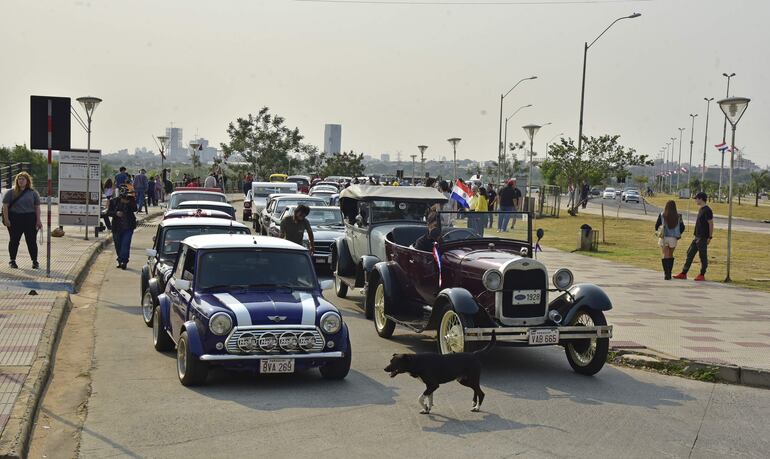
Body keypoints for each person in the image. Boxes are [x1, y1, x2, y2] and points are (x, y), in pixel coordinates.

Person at [2, 172, 42, 269]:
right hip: (15, 218)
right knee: (14, 240)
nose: (21, 181)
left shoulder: (33, 193)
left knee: (31, 241)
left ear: (27, 181)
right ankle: (12, 260)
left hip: (30, 219)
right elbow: (5, 207)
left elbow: (37, 207)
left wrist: (38, 220)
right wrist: (6, 219)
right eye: (19, 179)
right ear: (16, 181)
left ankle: (34, 261)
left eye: (23, 179)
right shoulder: (10, 192)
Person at [673, 192, 713, 281]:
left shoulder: (707, 210)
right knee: (690, 253)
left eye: (696, 198)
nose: (695, 200)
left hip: (703, 237)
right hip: (696, 237)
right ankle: (684, 273)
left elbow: (711, 224)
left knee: (703, 256)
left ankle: (702, 274)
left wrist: (710, 237)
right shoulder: (701, 209)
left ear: (701, 199)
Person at [106, 185, 137, 269]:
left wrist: (128, 202)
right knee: (118, 245)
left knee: (125, 244)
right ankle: (120, 260)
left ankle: (124, 261)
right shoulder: (114, 201)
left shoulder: (131, 200)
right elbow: (108, 212)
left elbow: (135, 208)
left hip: (128, 227)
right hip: (117, 227)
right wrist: (116, 213)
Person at [654, 200, 685, 280]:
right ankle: (669, 273)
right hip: (673, 238)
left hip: (663, 237)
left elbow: (657, 226)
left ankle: (666, 274)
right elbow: (682, 227)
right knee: (670, 254)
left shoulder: (662, 215)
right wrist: (678, 233)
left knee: (665, 254)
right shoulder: (678, 216)